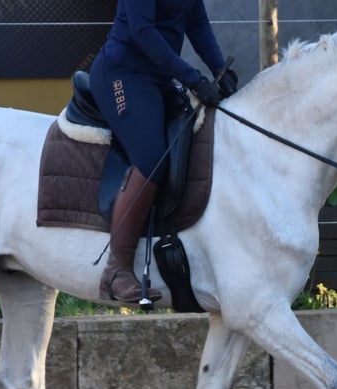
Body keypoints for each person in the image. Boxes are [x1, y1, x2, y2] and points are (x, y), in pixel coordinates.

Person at [89, 0, 238, 303]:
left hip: (159, 78)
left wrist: (220, 68)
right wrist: (193, 78)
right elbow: (143, 32)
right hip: (122, 74)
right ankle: (116, 270)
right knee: (152, 157)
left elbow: (196, 22)